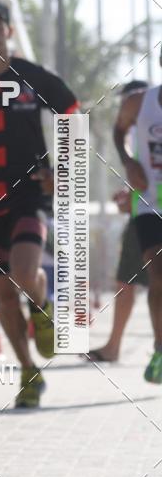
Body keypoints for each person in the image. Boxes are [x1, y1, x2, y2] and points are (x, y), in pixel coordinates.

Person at [0, 0, 79, 408]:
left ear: (8, 31)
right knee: (4, 294)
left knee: (25, 273)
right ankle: (28, 371)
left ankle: (42, 306)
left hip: (29, 191)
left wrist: (64, 168)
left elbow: (72, 110)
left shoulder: (28, 76)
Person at [87, 80, 149, 363]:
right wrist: (131, 194)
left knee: (126, 282)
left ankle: (113, 346)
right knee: (126, 280)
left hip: (148, 215)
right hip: (142, 213)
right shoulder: (137, 136)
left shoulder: (144, 126)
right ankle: (113, 345)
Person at [113, 75, 162, 383]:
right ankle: (160, 349)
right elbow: (119, 131)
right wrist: (129, 162)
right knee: (158, 273)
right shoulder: (139, 102)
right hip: (150, 203)